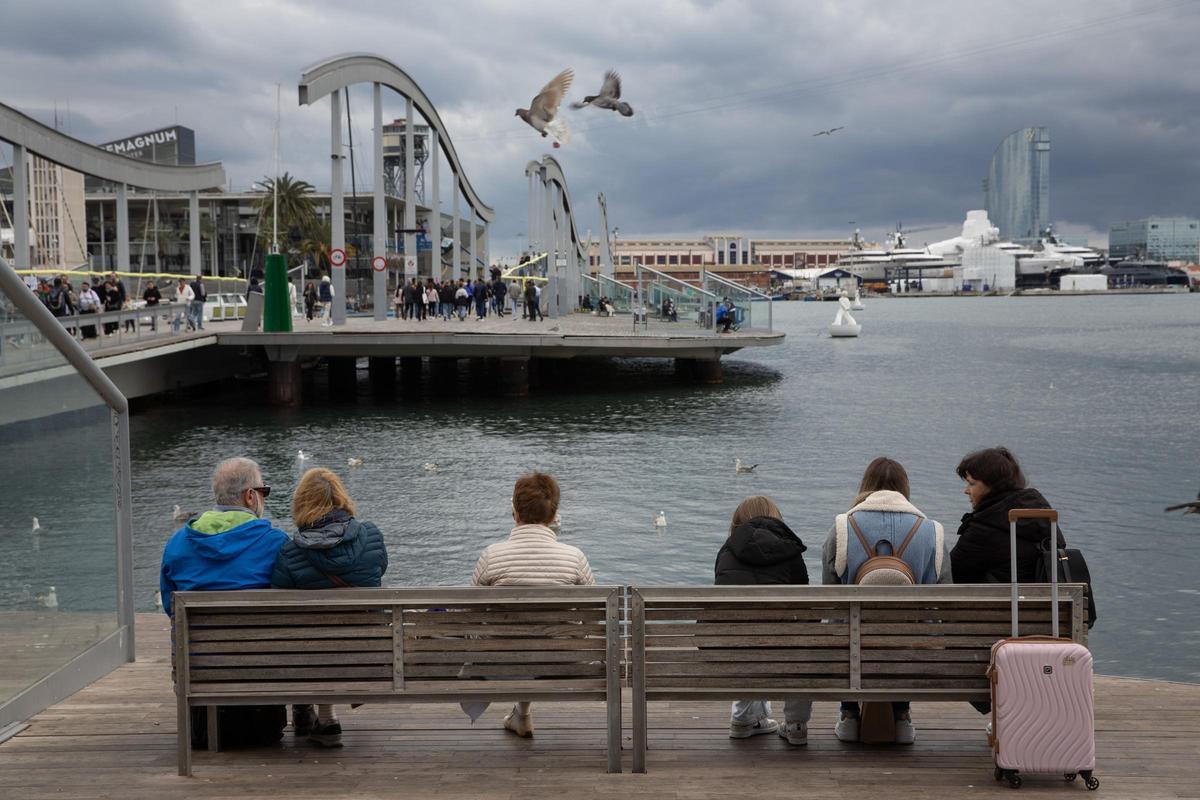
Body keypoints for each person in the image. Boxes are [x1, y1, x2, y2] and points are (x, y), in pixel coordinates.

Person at [821, 457, 951, 745]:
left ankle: (849, 714)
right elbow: (944, 596)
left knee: (844, 624)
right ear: (905, 489)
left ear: (865, 485)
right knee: (907, 628)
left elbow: (829, 594)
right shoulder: (932, 531)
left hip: (852, 642)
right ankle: (902, 715)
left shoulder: (842, 526)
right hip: (911, 646)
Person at [270, 468, 388, 747]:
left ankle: (316, 712)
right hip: (367, 650)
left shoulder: (289, 552)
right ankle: (325, 717)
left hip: (313, 654)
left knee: (304, 633)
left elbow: (278, 603)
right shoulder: (371, 535)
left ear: (301, 503)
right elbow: (379, 568)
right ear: (341, 498)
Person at [471, 472, 595, 737]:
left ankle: (521, 714)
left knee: (510, 639)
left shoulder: (491, 556)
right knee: (545, 636)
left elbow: (473, 613)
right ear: (554, 516)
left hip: (500, 662)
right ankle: (521, 714)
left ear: (514, 512)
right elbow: (594, 615)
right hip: (563, 661)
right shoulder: (574, 558)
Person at [714, 495, 812, 746]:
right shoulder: (791, 549)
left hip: (731, 653)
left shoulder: (726, 551)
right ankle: (796, 725)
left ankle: (744, 719)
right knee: (803, 641)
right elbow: (806, 607)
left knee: (743, 633)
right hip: (783, 651)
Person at [950, 447, 1065, 585]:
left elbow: (948, 577)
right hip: (1048, 604)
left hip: (1003, 605)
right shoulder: (1043, 519)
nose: (966, 490)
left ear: (991, 485)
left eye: (971, 483)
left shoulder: (983, 530)